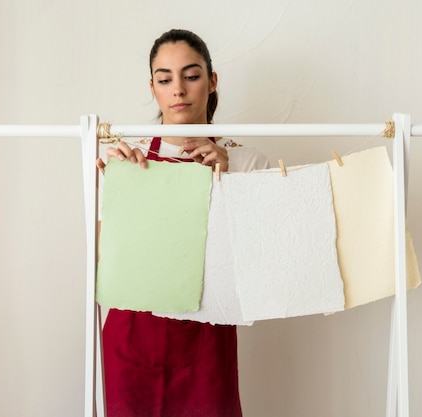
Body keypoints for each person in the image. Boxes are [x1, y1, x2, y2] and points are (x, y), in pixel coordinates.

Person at [96, 29, 269, 417]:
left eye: (191, 76)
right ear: (153, 87)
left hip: (207, 339)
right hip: (132, 339)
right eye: (165, 78)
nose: (178, 89)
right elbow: (104, 261)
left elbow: (260, 267)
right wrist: (115, 188)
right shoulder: (128, 160)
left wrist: (226, 181)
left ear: (212, 81)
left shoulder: (248, 162)